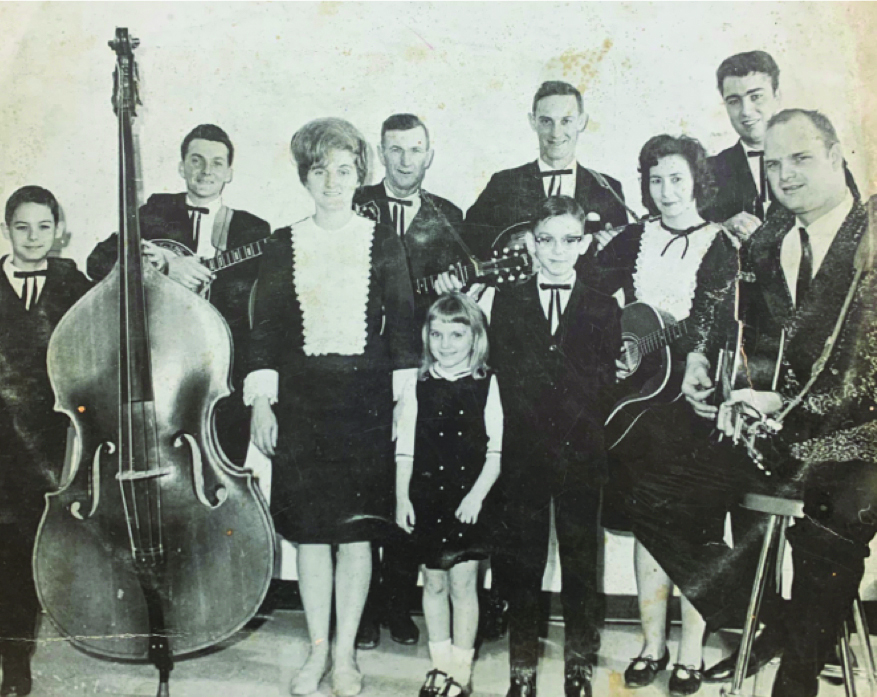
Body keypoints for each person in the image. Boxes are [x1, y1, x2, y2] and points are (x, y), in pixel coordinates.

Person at [682, 109, 877, 697]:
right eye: (772, 164)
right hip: (783, 435)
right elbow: (724, 312)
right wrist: (702, 359)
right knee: (653, 483)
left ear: (836, 156)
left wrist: (779, 402)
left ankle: (795, 680)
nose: (785, 175)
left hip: (862, 440)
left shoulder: (871, 232)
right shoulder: (767, 238)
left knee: (827, 528)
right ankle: (775, 621)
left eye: (801, 158)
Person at [245, 117, 419, 697]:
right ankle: (318, 650)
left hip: (365, 407)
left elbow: (403, 331)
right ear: (305, 176)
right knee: (313, 537)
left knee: (357, 537)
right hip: (303, 406)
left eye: (344, 170)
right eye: (320, 170)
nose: (332, 182)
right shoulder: (282, 243)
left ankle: (346, 657)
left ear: (359, 176)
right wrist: (262, 402)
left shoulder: (382, 240)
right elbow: (266, 330)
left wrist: (403, 407)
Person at [595, 135, 744, 695]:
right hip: (639, 406)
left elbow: (712, 319)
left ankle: (691, 652)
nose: (666, 191)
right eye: (655, 180)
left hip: (693, 402)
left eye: (677, 178)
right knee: (648, 526)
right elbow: (590, 296)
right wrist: (612, 346)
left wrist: (693, 358)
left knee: (696, 528)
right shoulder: (636, 236)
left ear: (698, 181)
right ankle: (651, 645)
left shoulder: (721, 244)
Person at [484, 196, 621, 697]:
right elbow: (505, 376)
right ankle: (522, 669)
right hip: (526, 453)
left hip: (582, 454)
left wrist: (570, 422)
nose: (557, 250)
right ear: (532, 244)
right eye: (546, 240)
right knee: (523, 564)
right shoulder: (508, 301)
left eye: (569, 240)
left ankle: (579, 665)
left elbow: (605, 385)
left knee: (582, 563)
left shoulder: (604, 306)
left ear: (584, 245)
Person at [87, 124, 270, 465]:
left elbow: (263, 310)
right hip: (159, 366)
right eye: (196, 160)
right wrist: (163, 266)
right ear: (181, 166)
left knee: (223, 464)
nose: (206, 170)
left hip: (222, 373)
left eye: (217, 163)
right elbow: (96, 263)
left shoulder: (252, 230)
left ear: (229, 173)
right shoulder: (154, 213)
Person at [354, 113, 467, 650]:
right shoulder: (354, 203)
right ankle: (362, 608)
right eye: (395, 150)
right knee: (366, 484)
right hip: (361, 369)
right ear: (381, 153)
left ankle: (397, 602)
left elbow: (457, 307)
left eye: (415, 149)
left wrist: (453, 290)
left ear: (429, 155)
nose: (405, 160)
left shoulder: (449, 216)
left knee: (411, 480)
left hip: (419, 370)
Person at [0, 186, 91, 697]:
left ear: (59, 231)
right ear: (6, 230)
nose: (33, 237)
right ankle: (13, 657)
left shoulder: (73, 283)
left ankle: (17, 659)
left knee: (25, 550)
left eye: (43, 227)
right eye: (21, 227)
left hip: (49, 446)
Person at [395, 293, 503, 697]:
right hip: (427, 498)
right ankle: (439, 666)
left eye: (456, 335)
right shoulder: (417, 384)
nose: (446, 344)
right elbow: (405, 450)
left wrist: (477, 497)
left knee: (463, 587)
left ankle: (461, 671)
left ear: (475, 337)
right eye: (437, 334)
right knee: (434, 585)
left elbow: (496, 452)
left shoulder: (488, 384)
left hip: (468, 501)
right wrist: (402, 499)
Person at [464, 81, 628, 265]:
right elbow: (468, 247)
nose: (556, 133)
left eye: (566, 121)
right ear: (532, 122)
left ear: (581, 121)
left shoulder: (607, 189)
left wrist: (611, 249)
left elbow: (621, 265)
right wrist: (507, 249)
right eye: (546, 121)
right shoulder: (503, 183)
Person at [705, 51, 782, 239]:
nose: (746, 111)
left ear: (777, 96)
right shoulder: (708, 171)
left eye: (755, 97)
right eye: (734, 101)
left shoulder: (817, 159)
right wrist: (721, 229)